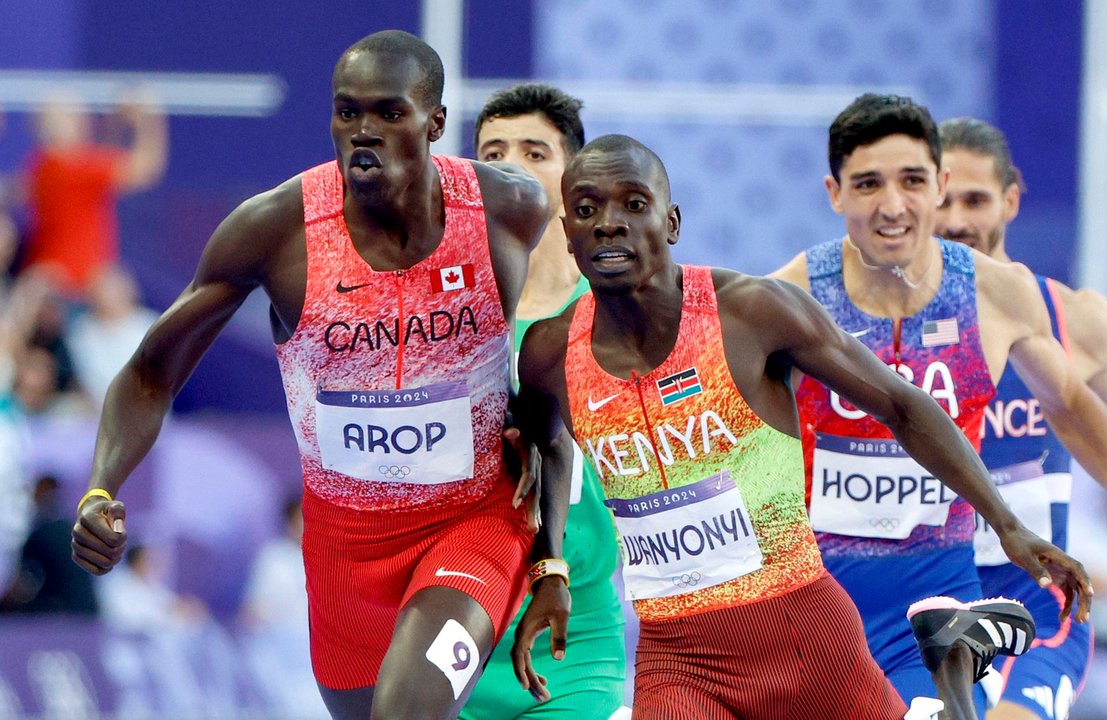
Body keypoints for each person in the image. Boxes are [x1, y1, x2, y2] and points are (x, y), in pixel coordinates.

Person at [70, 30, 571, 720]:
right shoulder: (277, 232)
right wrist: (102, 485)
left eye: (389, 113)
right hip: (343, 554)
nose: (363, 132)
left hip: (474, 523)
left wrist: (549, 536)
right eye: (347, 111)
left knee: (409, 710)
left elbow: (596, 280)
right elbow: (151, 371)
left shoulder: (507, 209)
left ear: (434, 124)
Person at [514, 133, 1089, 720]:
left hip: (802, 634)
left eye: (634, 204)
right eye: (586, 209)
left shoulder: (751, 314)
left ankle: (956, 660)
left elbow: (902, 405)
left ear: (673, 221)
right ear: (567, 231)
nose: (609, 224)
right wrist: (550, 566)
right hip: (676, 652)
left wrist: (1009, 527)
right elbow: (546, 443)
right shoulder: (549, 352)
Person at [770, 94, 1103, 716]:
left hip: (951, 609)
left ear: (939, 185)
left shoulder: (1008, 297)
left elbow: (1071, 407)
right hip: (819, 609)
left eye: (914, 183)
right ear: (835, 192)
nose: (894, 206)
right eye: (869, 184)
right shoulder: (788, 298)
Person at [462, 83, 627, 720]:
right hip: (446, 627)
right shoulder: (443, 320)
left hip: (573, 641)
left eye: (535, 153)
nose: (512, 167)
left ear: (574, 184)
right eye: (493, 152)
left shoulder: (619, 320)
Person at [935, 117, 1107, 720]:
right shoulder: (888, 332)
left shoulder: (1073, 319)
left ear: (1011, 199)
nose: (957, 220)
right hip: (930, 605)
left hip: (1040, 613)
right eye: (944, 198)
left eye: (976, 200)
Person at [23, 89, 168, 298]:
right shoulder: (72, 164)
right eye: (76, 116)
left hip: (57, 277)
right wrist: (150, 119)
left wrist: (116, 123)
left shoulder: (41, 164)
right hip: (78, 283)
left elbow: (104, 164)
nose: (84, 121)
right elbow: (146, 169)